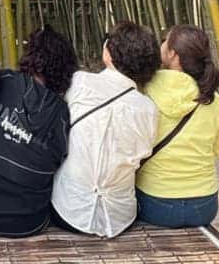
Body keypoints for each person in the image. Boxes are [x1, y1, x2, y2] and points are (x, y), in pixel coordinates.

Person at [0, 25, 76, 237]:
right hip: (28, 221)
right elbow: (57, 159)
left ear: (30, 54)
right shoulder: (61, 112)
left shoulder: (0, 80)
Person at [51, 22, 160, 237]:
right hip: (120, 216)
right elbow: (143, 154)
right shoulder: (149, 110)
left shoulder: (79, 83)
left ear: (108, 53)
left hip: (69, 210)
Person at [136, 24, 219, 228]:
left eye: (164, 41)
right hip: (204, 205)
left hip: (155, 202)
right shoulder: (214, 99)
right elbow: (217, 149)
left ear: (173, 54)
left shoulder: (144, 90)